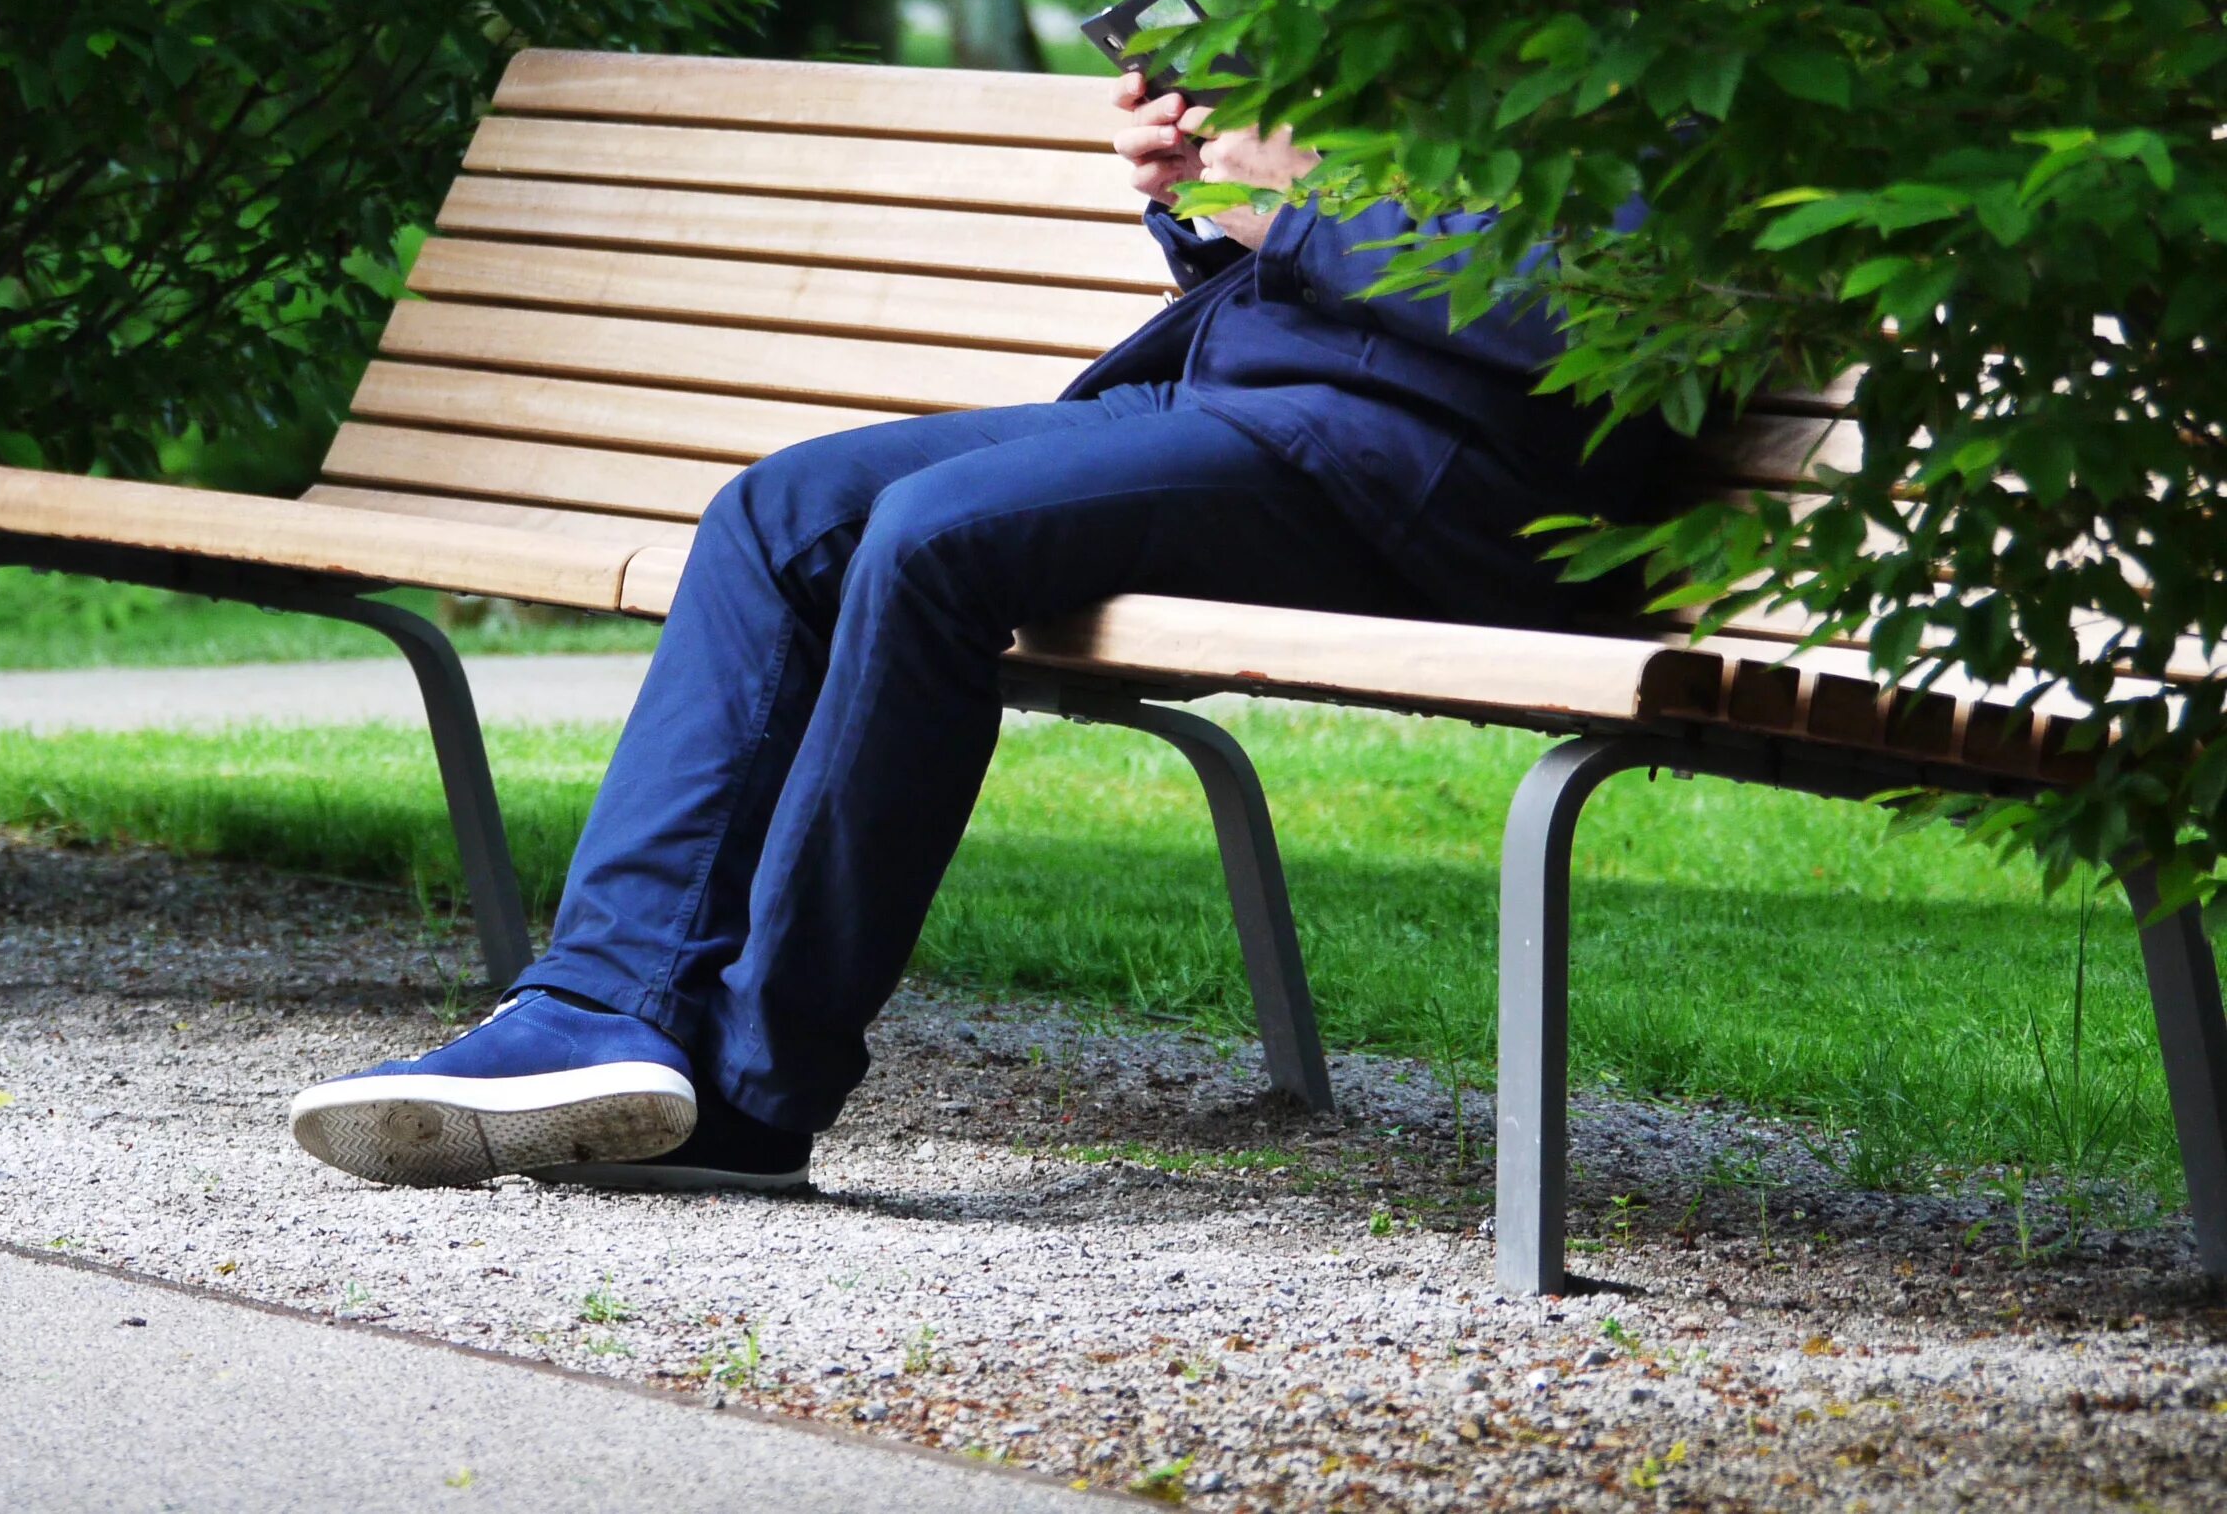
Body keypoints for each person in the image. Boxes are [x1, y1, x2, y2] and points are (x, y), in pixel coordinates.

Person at [287, 67, 1673, 1190]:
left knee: (931, 541)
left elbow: (1611, 311)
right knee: (777, 510)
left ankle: (759, 1091)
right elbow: (1319, 251)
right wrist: (1203, 192)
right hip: (1239, 409)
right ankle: (596, 1006)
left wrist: (1297, 212)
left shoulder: (1700, 23)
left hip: (1422, 479)